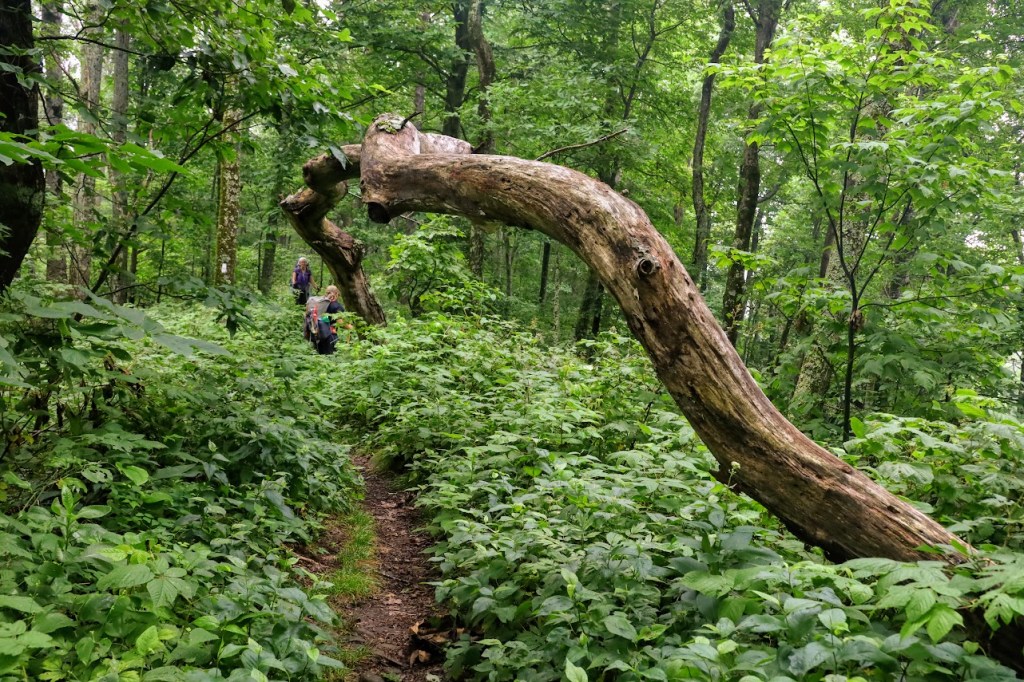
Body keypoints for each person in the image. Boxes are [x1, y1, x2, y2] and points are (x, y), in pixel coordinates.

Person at [304, 285, 348, 355]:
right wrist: (352, 328)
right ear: (336, 293)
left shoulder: (318, 303)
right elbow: (340, 323)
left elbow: (307, 314)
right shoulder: (336, 306)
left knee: (319, 357)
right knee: (330, 358)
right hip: (329, 336)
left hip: (316, 334)